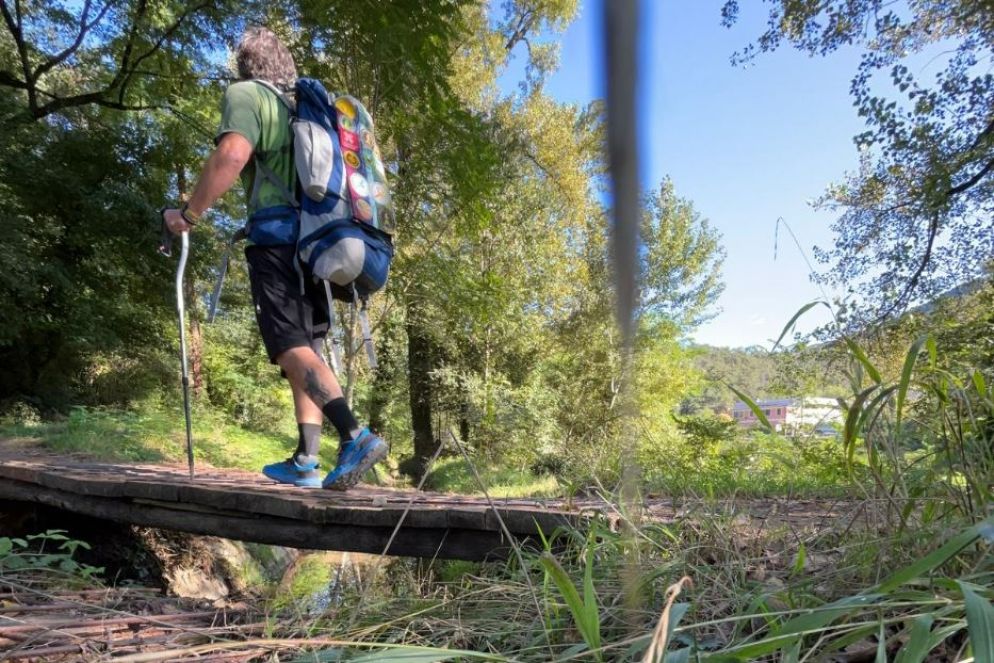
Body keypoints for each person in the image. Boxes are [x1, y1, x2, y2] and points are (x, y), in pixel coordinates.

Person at [163, 27, 388, 490]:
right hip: (317, 243)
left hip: (277, 241)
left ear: (245, 65)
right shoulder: (301, 105)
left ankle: (354, 435)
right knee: (308, 347)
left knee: (289, 345)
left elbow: (232, 154)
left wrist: (188, 214)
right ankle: (306, 458)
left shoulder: (247, 95)